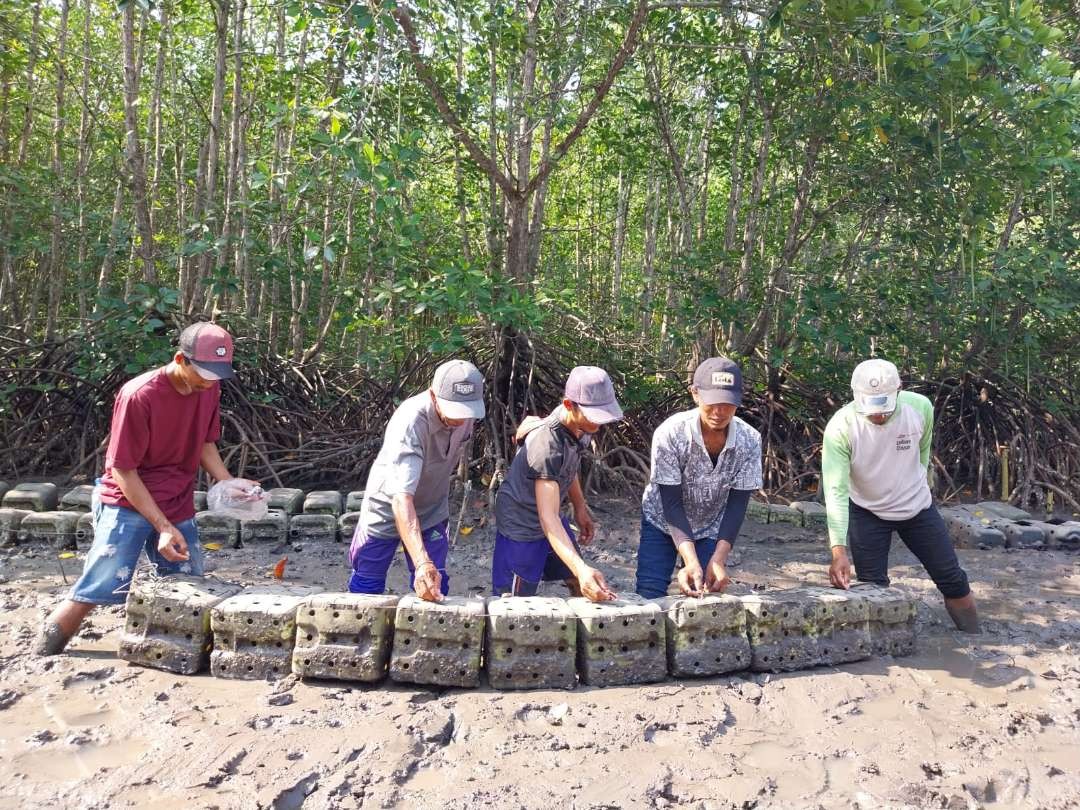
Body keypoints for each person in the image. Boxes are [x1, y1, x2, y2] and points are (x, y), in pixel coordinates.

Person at [36, 322, 257, 655]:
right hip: (127, 500)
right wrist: (163, 527)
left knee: (188, 584)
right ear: (180, 359)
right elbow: (122, 469)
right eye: (203, 373)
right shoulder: (139, 395)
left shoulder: (208, 388)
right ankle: (46, 649)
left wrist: (227, 483)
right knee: (99, 583)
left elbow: (203, 443)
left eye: (216, 375)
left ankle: (172, 653)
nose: (207, 382)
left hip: (177, 497)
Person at [823, 358, 980, 632]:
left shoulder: (920, 407)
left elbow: (922, 455)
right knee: (872, 588)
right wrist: (838, 551)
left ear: (899, 389)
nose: (878, 416)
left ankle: (975, 636)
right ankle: (880, 655)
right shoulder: (841, 427)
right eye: (871, 409)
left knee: (952, 579)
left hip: (917, 507)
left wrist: (915, 487)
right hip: (867, 510)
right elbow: (835, 491)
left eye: (884, 407)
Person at [348, 360, 485, 602]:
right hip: (387, 508)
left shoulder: (466, 415)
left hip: (431, 508)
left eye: (467, 411)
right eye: (454, 410)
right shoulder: (410, 423)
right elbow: (402, 500)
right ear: (433, 395)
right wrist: (421, 561)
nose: (460, 419)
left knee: (435, 584)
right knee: (366, 587)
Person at [635, 357, 763, 599]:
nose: (719, 411)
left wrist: (719, 558)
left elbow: (737, 505)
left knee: (705, 594)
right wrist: (690, 560)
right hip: (662, 520)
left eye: (727, 403)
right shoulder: (670, 434)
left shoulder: (750, 440)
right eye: (712, 402)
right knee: (649, 594)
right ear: (695, 394)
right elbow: (671, 504)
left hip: (710, 525)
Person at [492, 366, 621, 602]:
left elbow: (568, 467)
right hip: (521, 521)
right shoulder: (547, 444)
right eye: (595, 415)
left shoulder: (582, 426)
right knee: (514, 602)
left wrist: (580, 508)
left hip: (549, 514)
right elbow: (547, 517)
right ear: (569, 405)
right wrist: (583, 569)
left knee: (575, 578)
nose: (599, 423)